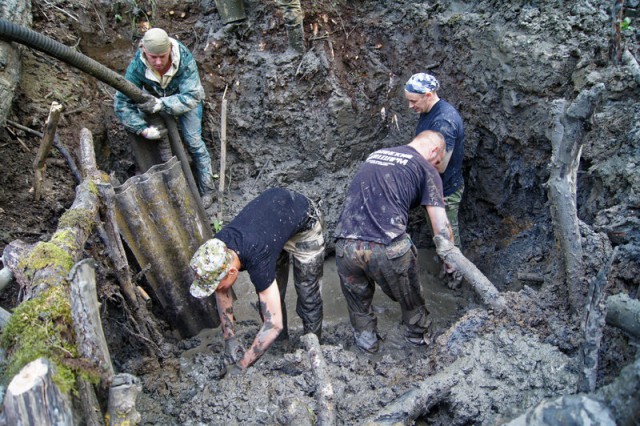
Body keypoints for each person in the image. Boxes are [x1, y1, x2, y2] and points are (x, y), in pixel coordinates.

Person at [334, 130, 455, 353]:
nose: (437, 167)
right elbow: (440, 226)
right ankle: (419, 347)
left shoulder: (377, 154)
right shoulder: (426, 169)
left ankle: (367, 350)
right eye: (438, 162)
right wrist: (449, 260)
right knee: (412, 303)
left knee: (359, 309)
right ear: (434, 150)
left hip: (345, 245)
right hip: (387, 247)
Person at [189, 187, 325, 375]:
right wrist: (230, 339)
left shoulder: (258, 260)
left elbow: (274, 323)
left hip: (303, 221)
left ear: (232, 272)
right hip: (272, 228)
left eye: (217, 285)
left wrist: (242, 365)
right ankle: (279, 346)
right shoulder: (216, 248)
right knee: (276, 293)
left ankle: (313, 348)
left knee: (308, 294)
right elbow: (221, 291)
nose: (216, 290)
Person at [114, 28, 216, 207]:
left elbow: (192, 96)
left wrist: (163, 104)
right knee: (148, 141)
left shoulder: (183, 58)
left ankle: (207, 190)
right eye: (153, 57)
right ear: (144, 51)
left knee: (193, 141)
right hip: (153, 101)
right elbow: (121, 103)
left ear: (170, 48)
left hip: (185, 101)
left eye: (163, 56)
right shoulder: (137, 66)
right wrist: (141, 129)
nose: (159, 62)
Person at [404, 73, 465, 287]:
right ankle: (446, 265)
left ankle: (456, 273)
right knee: (436, 230)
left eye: (413, 101)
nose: (410, 106)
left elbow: (440, 165)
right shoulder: (427, 110)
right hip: (431, 187)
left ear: (428, 95)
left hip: (445, 189)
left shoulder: (444, 122)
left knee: (446, 231)